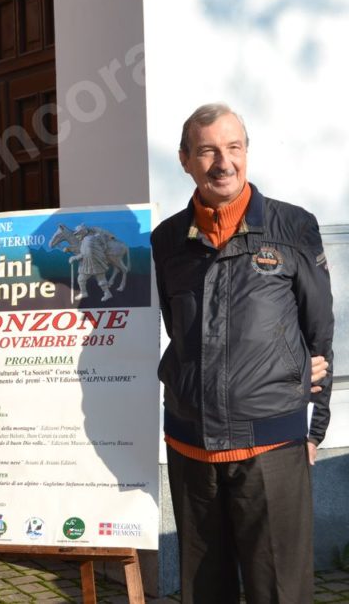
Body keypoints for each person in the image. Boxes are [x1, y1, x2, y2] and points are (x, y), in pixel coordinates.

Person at [152, 103, 334, 603]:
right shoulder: (166, 239)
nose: (223, 162)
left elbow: (319, 334)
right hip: (189, 446)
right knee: (202, 591)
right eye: (208, 150)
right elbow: (179, 330)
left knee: (279, 590)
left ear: (246, 153)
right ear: (185, 159)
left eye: (233, 148)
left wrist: (314, 429)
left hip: (271, 445)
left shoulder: (293, 227)